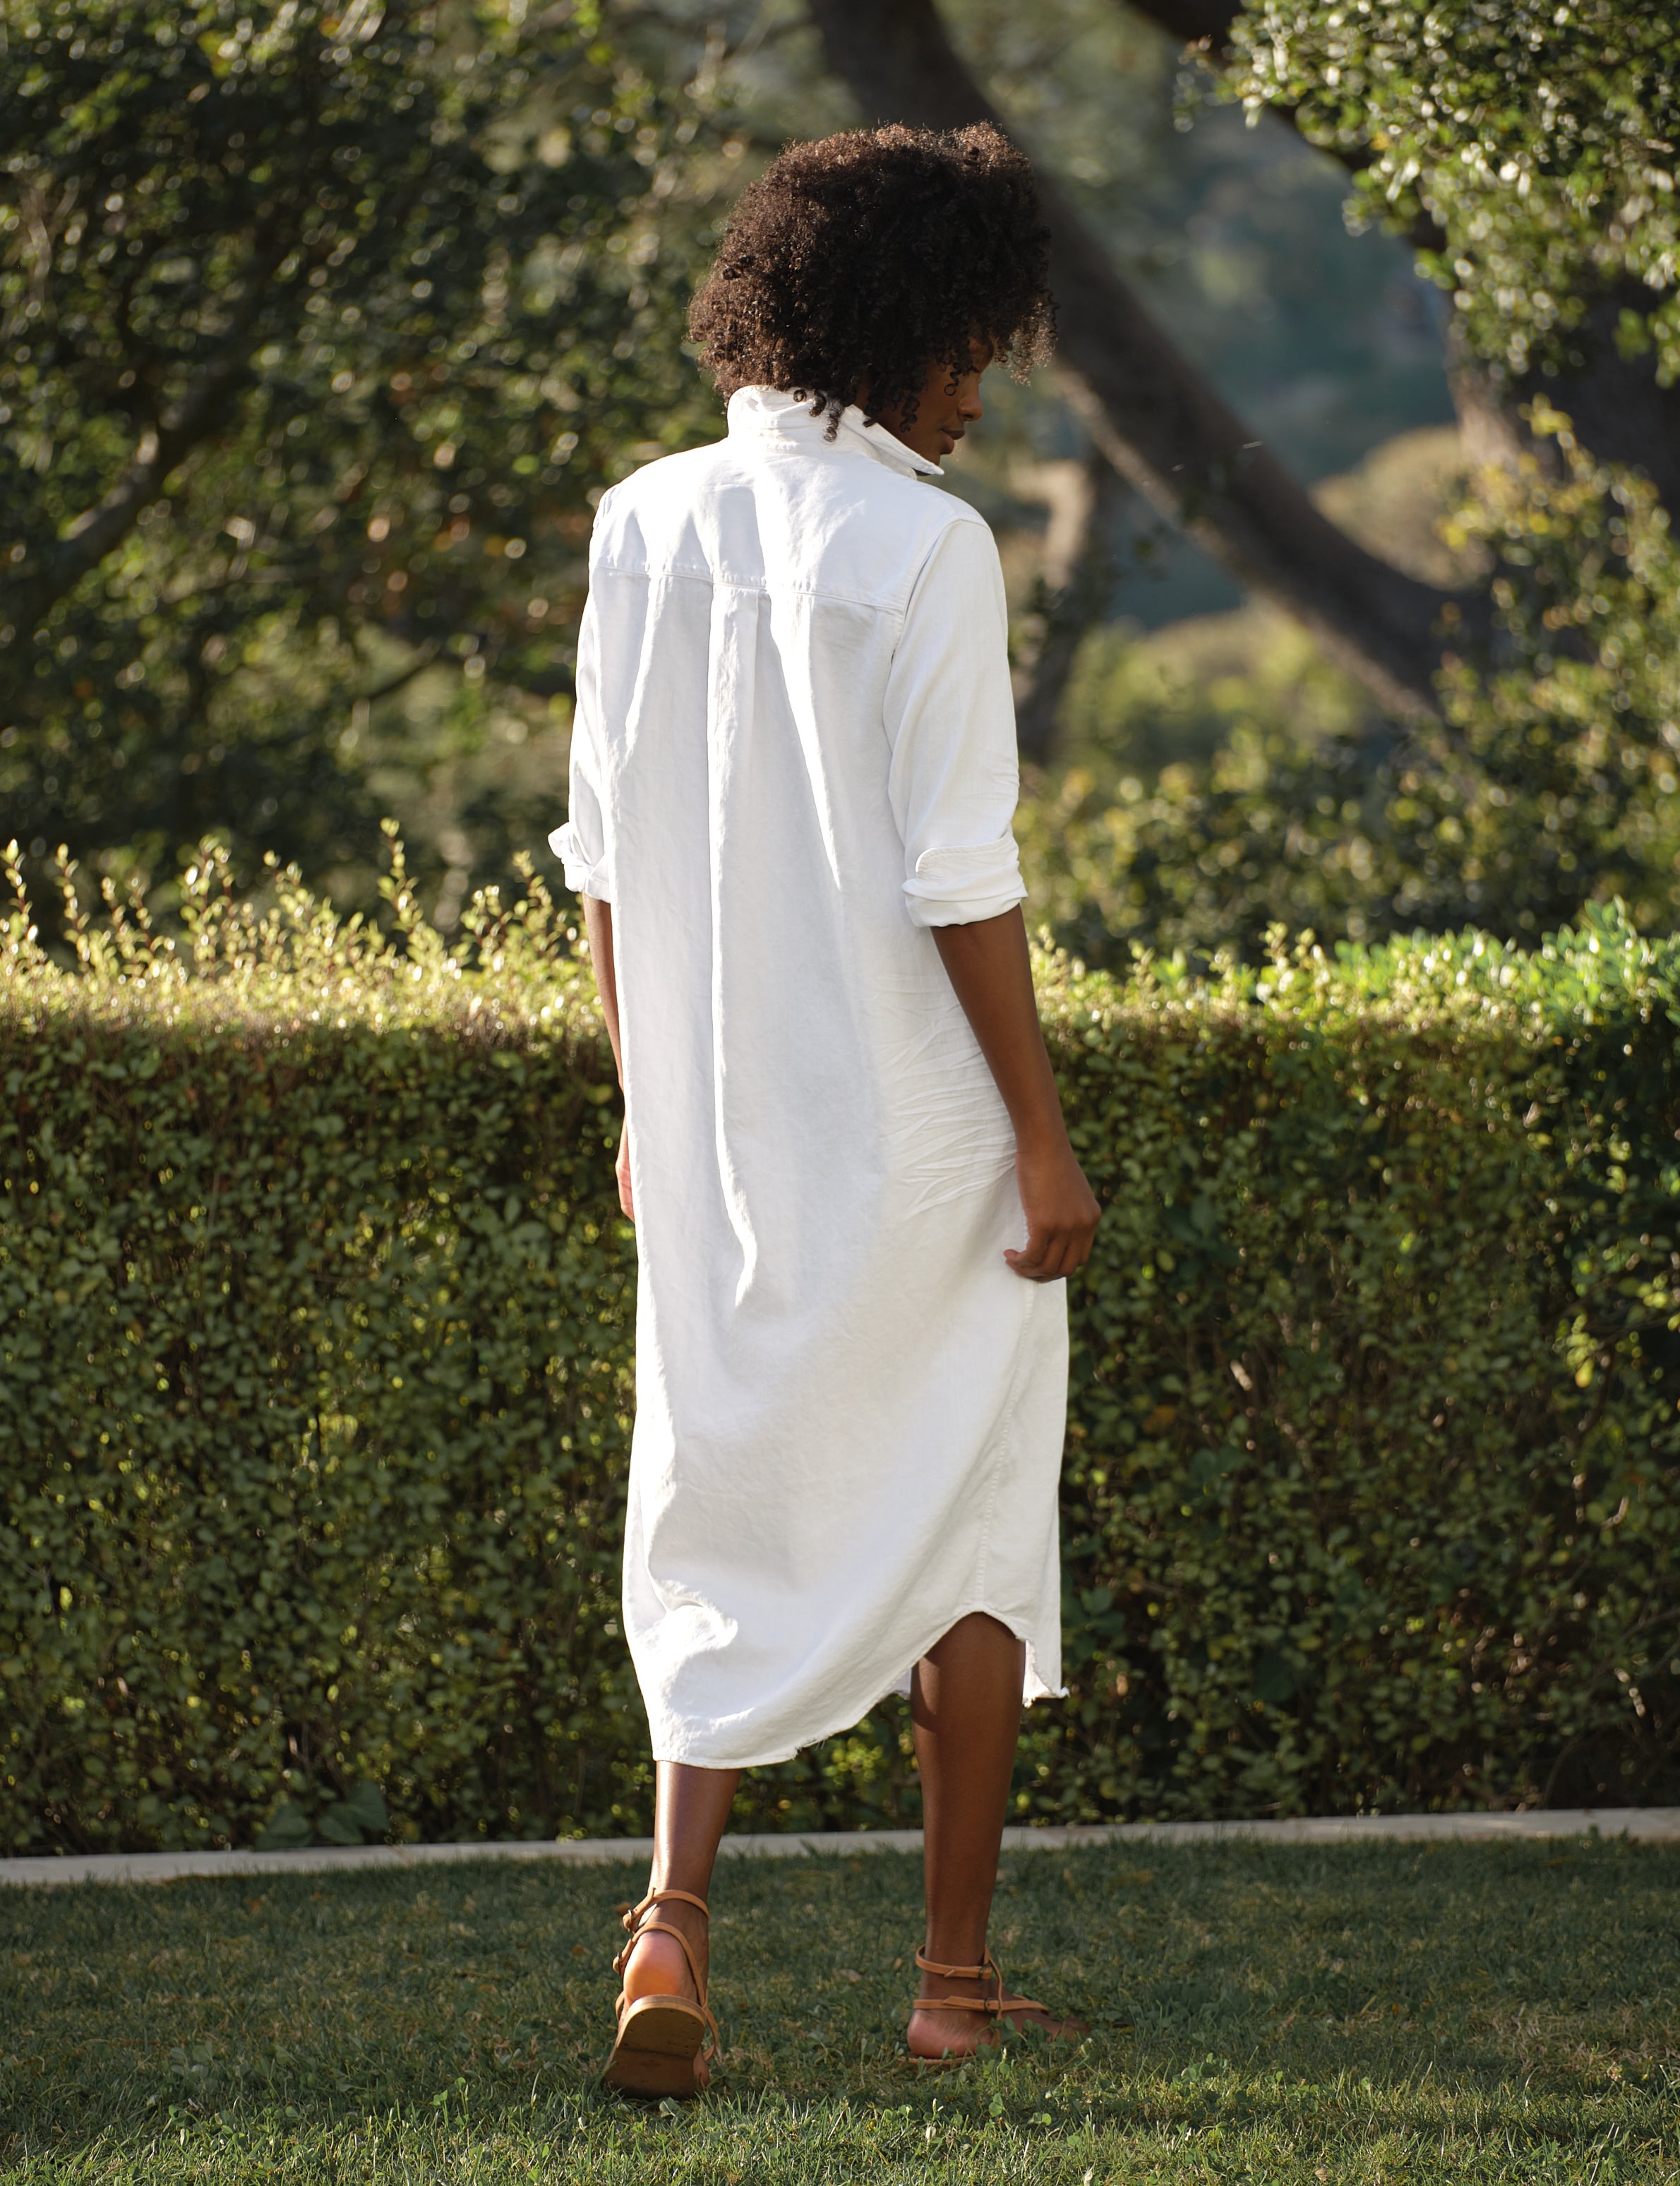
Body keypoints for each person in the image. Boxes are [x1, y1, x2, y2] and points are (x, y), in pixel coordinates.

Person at [550, 120, 1100, 2098]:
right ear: (881, 328)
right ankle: (949, 1979)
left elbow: (598, 854)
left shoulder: (642, 515)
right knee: (964, 1512)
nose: (976, 384)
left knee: (714, 1486)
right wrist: (1041, 1137)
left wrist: (645, 1107)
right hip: (918, 1130)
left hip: (712, 1140)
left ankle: (668, 1920)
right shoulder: (927, 545)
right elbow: (960, 872)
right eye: (961, 345)